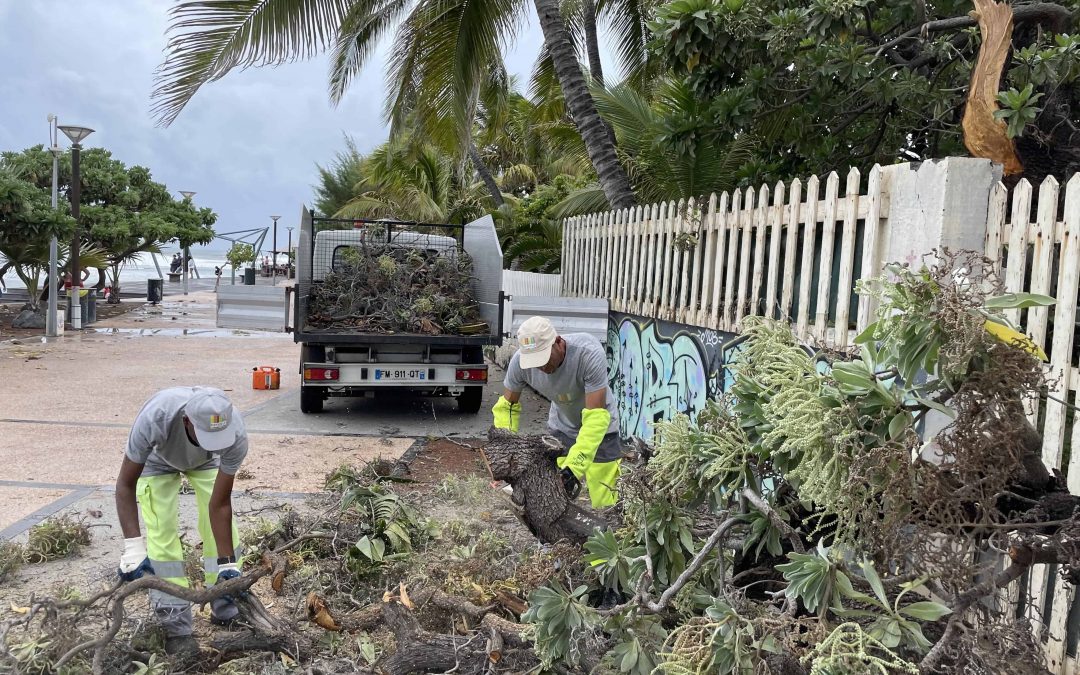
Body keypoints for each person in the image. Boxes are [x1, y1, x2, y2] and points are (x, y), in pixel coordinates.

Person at [114, 387, 249, 658]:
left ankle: (226, 602)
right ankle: (175, 625)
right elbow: (125, 485)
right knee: (161, 531)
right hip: (157, 459)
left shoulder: (234, 436)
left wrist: (229, 564)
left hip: (205, 463)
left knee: (223, 535)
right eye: (207, 435)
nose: (216, 441)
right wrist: (133, 548)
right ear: (187, 421)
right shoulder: (156, 418)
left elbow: (220, 504)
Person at [492, 316, 622, 508]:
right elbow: (507, 409)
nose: (541, 367)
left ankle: (609, 535)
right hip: (561, 427)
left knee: (606, 500)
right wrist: (506, 459)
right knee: (553, 496)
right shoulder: (519, 363)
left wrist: (573, 469)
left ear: (558, 342)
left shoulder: (588, 353)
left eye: (544, 358)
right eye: (534, 361)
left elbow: (596, 417)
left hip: (601, 429)